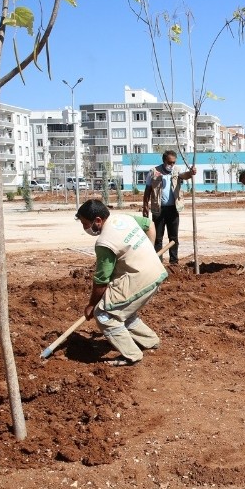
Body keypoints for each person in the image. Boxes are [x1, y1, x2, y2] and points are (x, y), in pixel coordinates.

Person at [75, 199, 167, 366]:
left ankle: (132, 355)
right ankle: (150, 341)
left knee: (104, 314)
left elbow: (101, 281)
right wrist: (151, 252)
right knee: (122, 309)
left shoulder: (104, 242)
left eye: (85, 224)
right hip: (157, 272)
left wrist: (91, 305)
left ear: (98, 220)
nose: (84, 228)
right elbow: (149, 224)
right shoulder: (124, 218)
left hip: (141, 278)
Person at [142, 149, 196, 266]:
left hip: (173, 209)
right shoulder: (153, 172)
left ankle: (174, 262)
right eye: (169, 162)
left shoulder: (176, 171)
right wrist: (145, 206)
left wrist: (191, 173)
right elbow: (147, 191)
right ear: (164, 161)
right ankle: (158, 262)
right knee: (158, 238)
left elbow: (184, 175)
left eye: (173, 162)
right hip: (158, 210)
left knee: (173, 237)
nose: (171, 165)